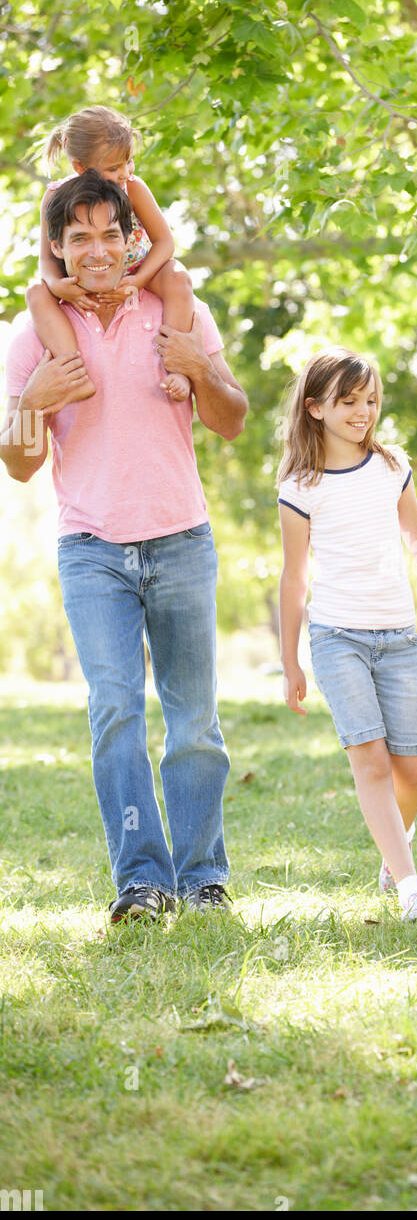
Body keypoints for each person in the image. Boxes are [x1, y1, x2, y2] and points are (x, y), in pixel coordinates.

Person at [0, 171, 248, 921]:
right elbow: (18, 463)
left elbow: (231, 419)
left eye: (112, 233)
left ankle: (204, 879)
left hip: (180, 539)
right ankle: (142, 881)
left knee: (194, 719)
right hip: (93, 549)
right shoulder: (31, 333)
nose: (99, 249)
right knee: (114, 711)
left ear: (132, 239)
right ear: (57, 249)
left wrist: (201, 367)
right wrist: (29, 404)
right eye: (81, 237)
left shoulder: (176, 311)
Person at [277, 348, 417, 921]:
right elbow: (295, 576)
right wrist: (290, 662)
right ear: (315, 408)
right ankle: (412, 885)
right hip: (338, 637)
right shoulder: (300, 484)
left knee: (413, 772)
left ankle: (393, 857)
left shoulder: (392, 466)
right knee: (370, 761)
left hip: (399, 638)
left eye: (369, 401)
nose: (363, 412)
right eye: (348, 402)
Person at [27, 104, 194, 403]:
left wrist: (137, 282)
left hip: (138, 266)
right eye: (114, 168)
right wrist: (57, 285)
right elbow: (47, 257)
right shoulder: (56, 196)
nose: (125, 172)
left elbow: (165, 243)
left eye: (128, 162)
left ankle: (178, 367)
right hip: (84, 273)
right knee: (36, 294)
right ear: (80, 168)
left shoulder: (132, 187)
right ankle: (74, 376)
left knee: (179, 278)